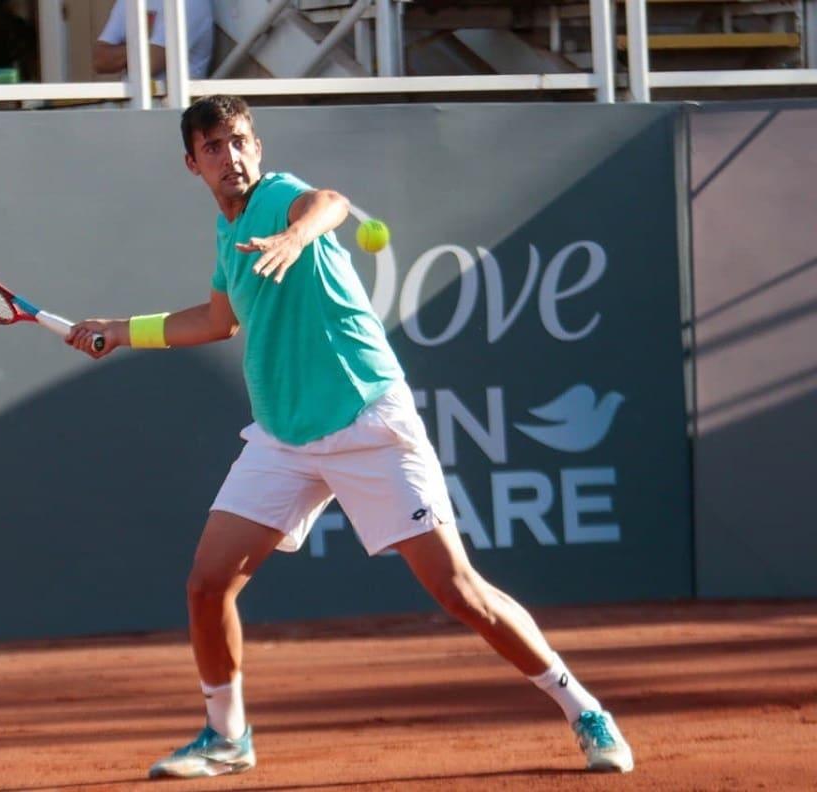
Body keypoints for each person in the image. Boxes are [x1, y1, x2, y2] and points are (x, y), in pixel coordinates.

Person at [65, 94, 635, 780]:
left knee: (459, 592)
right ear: (192, 164)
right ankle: (227, 737)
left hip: (366, 419)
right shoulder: (228, 235)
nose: (231, 156)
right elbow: (217, 321)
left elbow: (329, 202)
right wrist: (120, 330)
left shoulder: (280, 199)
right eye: (214, 147)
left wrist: (295, 237)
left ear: (258, 147)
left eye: (240, 140)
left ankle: (585, 712)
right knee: (207, 585)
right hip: (284, 434)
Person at [93, 0, 214, 80]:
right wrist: (145, 49)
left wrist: (120, 53)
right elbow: (100, 60)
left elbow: (150, 63)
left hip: (175, 109)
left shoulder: (190, 3)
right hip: (132, 105)